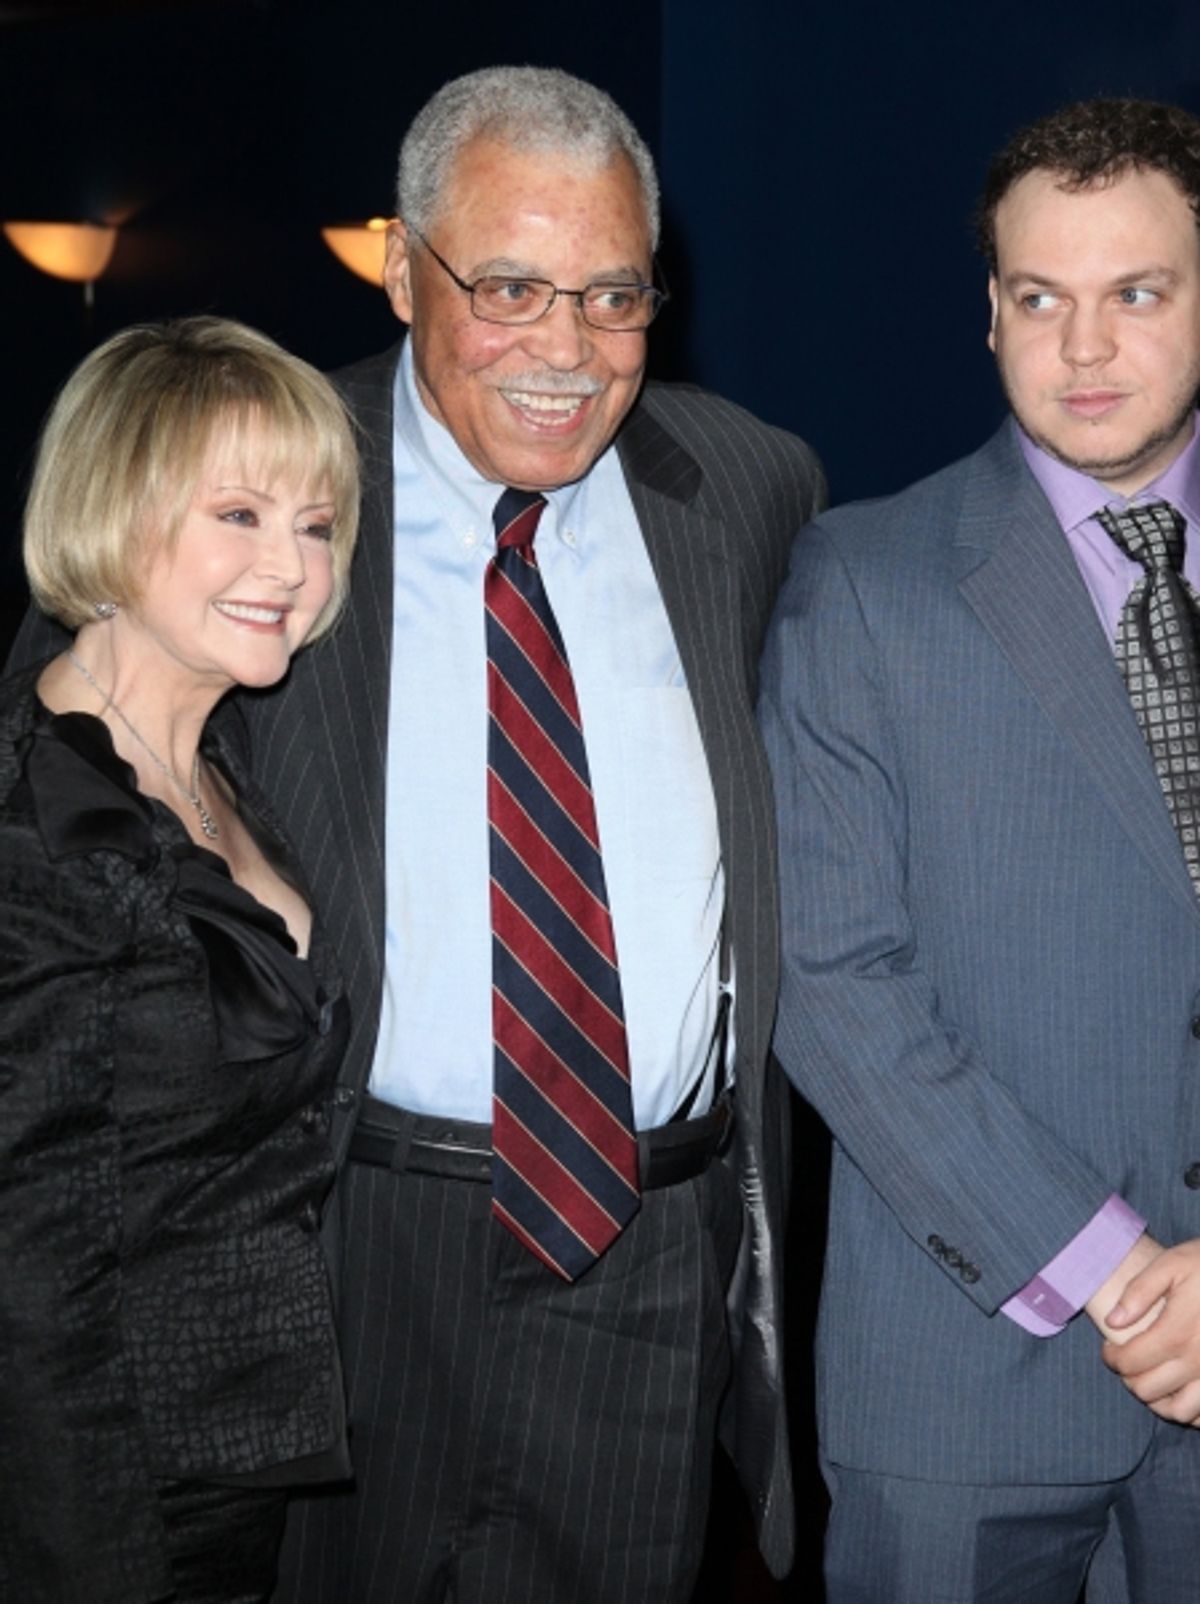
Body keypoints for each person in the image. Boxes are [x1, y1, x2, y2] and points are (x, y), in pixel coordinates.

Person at [211, 63, 818, 1604]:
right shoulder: (254, 477)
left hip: (643, 1242)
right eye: (509, 289)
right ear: (399, 265)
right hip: (339, 1233)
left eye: (613, 297)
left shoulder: (749, 487)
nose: (564, 349)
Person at [760, 95, 1200, 1603]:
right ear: (992, 313)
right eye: (1041, 298)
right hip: (962, 1386)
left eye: (1136, 293)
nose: (1086, 348)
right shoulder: (864, 579)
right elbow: (831, 985)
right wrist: (1118, 1272)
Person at [0, 316, 360, 1604]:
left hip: (247, 1469)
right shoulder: (38, 831)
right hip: (112, 1500)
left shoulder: (218, 769)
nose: (292, 566)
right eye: (240, 515)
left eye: (316, 525)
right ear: (114, 511)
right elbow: (28, 1282)